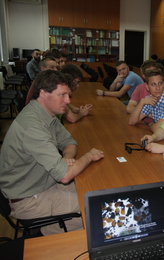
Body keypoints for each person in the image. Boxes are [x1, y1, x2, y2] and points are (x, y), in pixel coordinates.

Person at [0, 70, 104, 236]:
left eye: (68, 95)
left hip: (43, 182)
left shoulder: (46, 114)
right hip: (28, 199)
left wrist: (67, 158)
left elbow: (69, 142)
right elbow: (64, 176)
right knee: (98, 207)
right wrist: (89, 156)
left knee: (94, 189)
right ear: (43, 93)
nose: (68, 100)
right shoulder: (33, 126)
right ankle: (44, 234)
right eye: (62, 95)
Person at [128, 69, 164, 133]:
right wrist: (141, 103)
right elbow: (132, 121)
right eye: (153, 84)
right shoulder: (149, 99)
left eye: (160, 83)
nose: (157, 88)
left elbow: (157, 129)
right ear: (147, 87)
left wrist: (151, 125)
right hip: (161, 136)